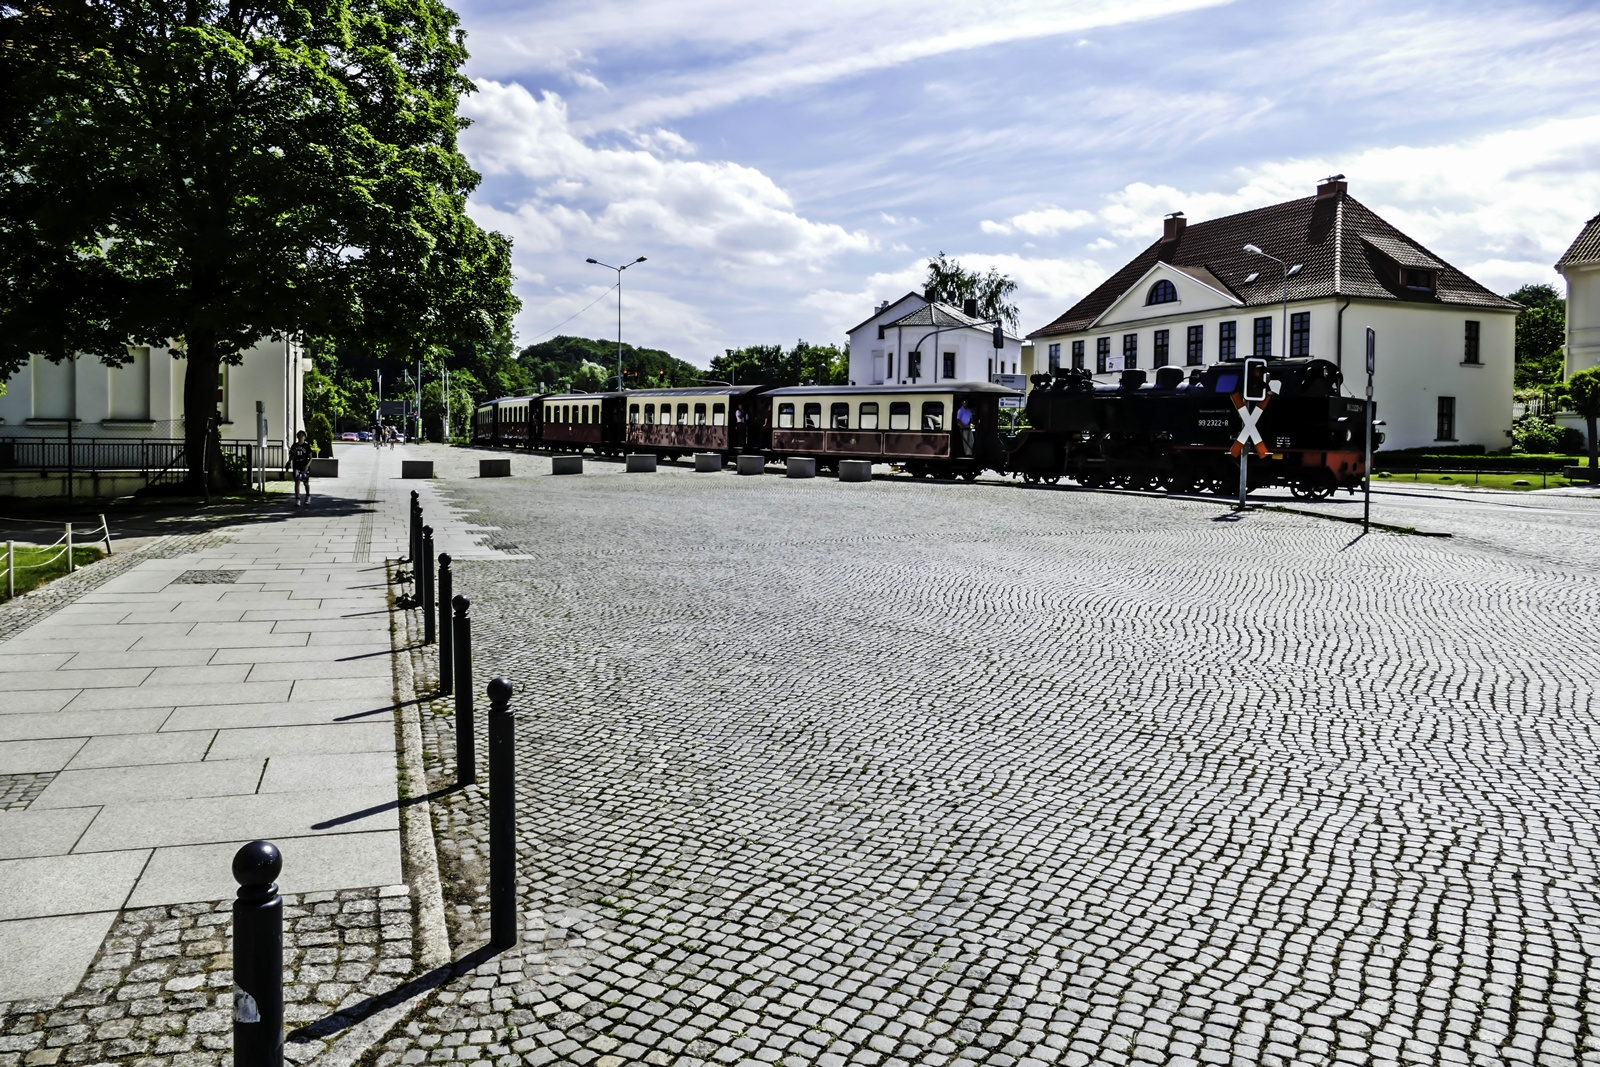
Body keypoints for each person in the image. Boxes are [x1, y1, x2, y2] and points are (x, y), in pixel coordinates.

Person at [288, 430, 313, 505]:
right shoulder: (294, 446)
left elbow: (310, 457)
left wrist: (307, 465)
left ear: (304, 437)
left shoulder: (306, 446)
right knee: (297, 482)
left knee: (306, 483)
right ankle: (297, 499)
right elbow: (291, 455)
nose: (300, 437)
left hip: (304, 466)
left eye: (302, 435)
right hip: (296, 466)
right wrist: (289, 462)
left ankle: (308, 495)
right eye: (299, 435)